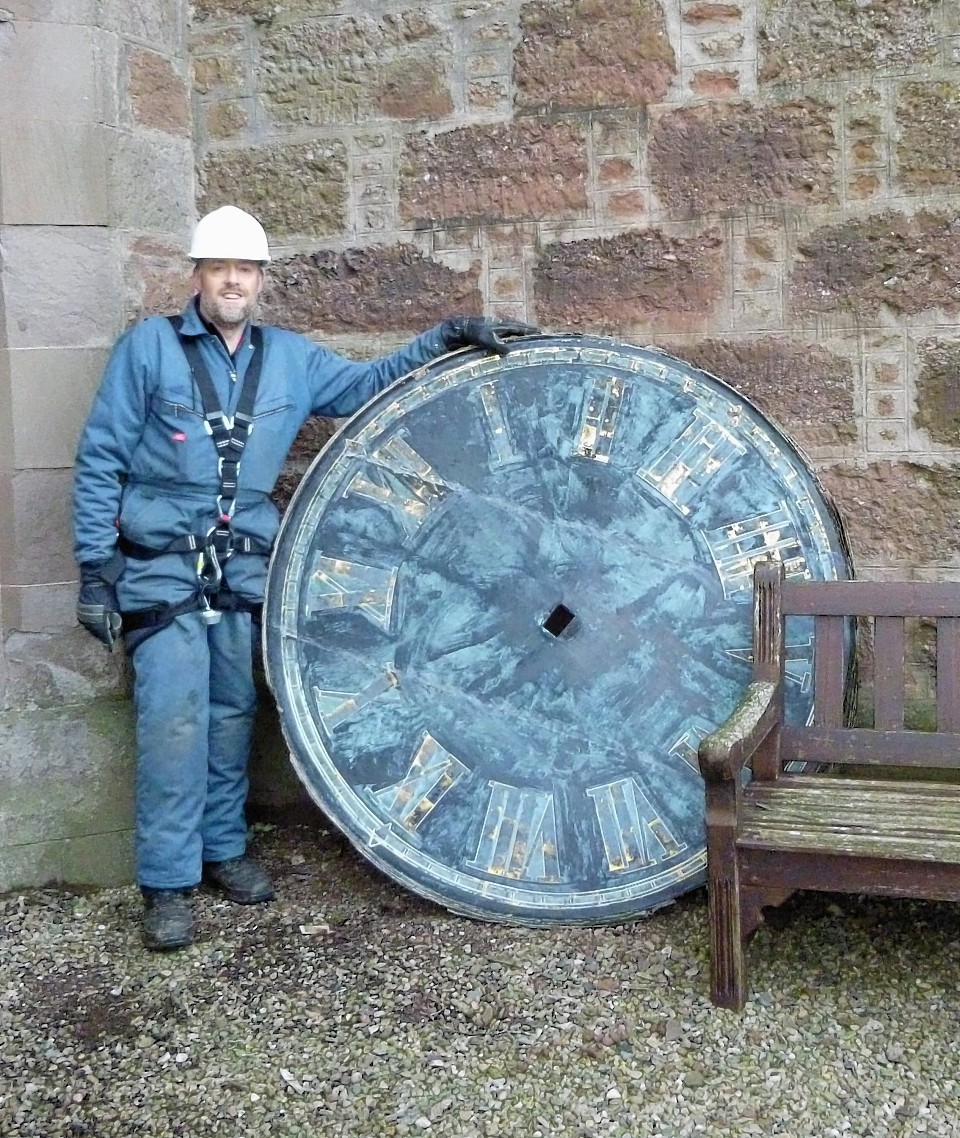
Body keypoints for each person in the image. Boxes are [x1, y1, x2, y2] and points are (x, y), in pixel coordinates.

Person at [73, 204, 537, 951]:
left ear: (260, 281)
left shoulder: (288, 358)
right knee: (173, 716)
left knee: (232, 711)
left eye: (247, 269)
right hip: (161, 569)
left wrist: (446, 337)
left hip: (244, 571)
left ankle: (222, 850)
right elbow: (100, 457)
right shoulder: (148, 352)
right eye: (220, 267)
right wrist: (95, 569)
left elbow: (365, 388)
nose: (233, 280)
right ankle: (167, 881)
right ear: (197, 274)